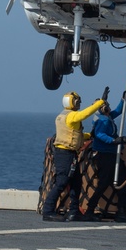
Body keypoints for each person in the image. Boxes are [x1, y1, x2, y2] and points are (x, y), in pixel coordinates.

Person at [42, 90, 107, 221]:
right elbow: (84, 114)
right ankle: (48, 211)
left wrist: (89, 135)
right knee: (62, 182)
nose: (80, 104)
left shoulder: (62, 115)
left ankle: (74, 211)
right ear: (73, 102)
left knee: (76, 183)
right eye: (78, 101)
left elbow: (73, 134)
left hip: (68, 154)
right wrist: (100, 102)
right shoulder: (71, 116)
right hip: (65, 154)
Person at [80, 89, 126, 222]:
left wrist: (123, 99)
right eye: (106, 105)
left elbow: (118, 111)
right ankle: (90, 210)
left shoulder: (107, 117)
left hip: (113, 155)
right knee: (104, 183)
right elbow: (99, 135)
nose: (108, 107)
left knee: (122, 181)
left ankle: (122, 212)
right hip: (104, 155)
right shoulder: (102, 120)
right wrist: (114, 140)